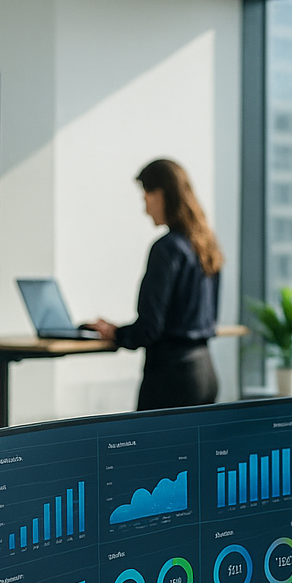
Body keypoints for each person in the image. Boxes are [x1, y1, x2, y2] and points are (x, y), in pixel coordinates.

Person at [88, 158, 221, 411]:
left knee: (150, 451)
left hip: (171, 380)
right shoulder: (206, 245)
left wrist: (114, 333)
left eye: (145, 197)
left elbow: (150, 328)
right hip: (204, 373)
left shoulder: (167, 249)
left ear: (160, 194)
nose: (145, 208)